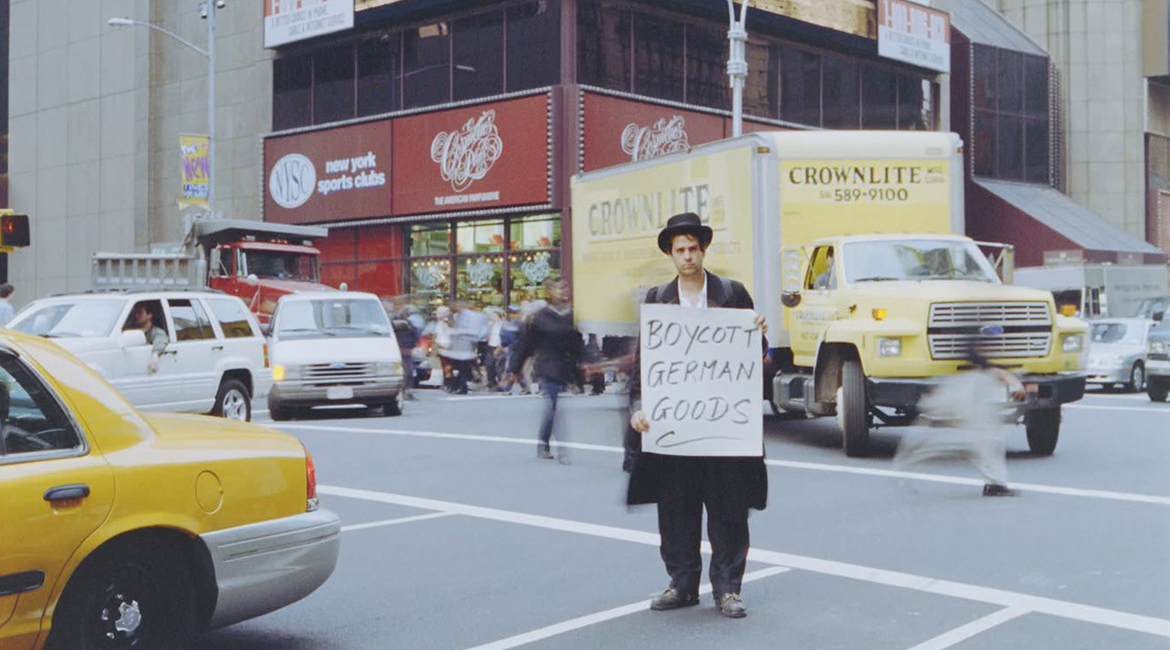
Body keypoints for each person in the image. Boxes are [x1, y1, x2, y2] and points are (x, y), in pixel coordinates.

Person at [627, 212, 769, 619]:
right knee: (676, 511)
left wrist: (759, 331)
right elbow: (643, 366)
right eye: (680, 250)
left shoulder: (732, 292)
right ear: (670, 255)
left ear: (703, 249)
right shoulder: (657, 300)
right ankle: (683, 584)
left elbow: (755, 356)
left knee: (728, 509)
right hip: (674, 428)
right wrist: (638, 408)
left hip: (723, 427)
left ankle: (728, 589)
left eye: (693, 248)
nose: (687, 256)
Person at [894, 349, 1025, 497]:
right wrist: (1015, 383)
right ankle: (995, 484)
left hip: (954, 385)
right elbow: (992, 368)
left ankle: (907, 460)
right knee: (986, 439)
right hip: (969, 386)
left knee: (982, 438)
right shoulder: (986, 355)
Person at [509, 278, 584, 464]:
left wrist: (587, 364)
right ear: (550, 292)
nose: (563, 292)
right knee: (553, 405)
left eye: (565, 288)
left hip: (564, 365)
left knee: (554, 405)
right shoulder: (540, 317)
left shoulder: (571, 316)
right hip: (546, 364)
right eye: (559, 289)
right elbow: (525, 344)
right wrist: (514, 369)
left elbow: (578, 344)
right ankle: (560, 449)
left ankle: (543, 442)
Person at [124, 302, 169, 374]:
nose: (136, 316)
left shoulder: (156, 332)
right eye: (136, 313)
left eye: (140, 313)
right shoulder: (132, 331)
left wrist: (155, 356)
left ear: (149, 315)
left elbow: (161, 341)